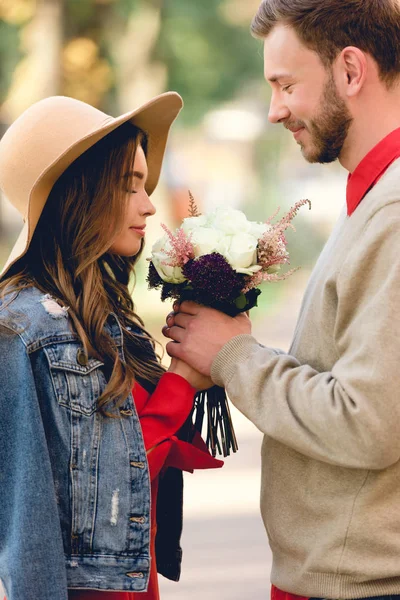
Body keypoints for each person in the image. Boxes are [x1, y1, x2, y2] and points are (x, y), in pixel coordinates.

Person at [163, 1, 400, 599]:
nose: (275, 111)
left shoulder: (393, 212)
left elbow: (367, 423)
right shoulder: (375, 204)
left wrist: (235, 357)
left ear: (350, 71)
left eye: (286, 85)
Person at [0, 93, 222, 600]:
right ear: (80, 192)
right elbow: (35, 517)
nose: (148, 203)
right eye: (130, 186)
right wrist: (180, 385)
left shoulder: (105, 315)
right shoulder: (25, 329)